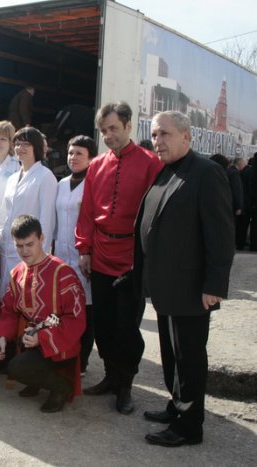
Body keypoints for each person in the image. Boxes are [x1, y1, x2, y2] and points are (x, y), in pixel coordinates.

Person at [137, 111, 234, 447]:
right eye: (154, 134)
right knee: (171, 355)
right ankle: (177, 406)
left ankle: (189, 427)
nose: (157, 140)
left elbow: (221, 235)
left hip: (191, 289)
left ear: (186, 136)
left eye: (164, 134)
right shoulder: (165, 170)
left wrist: (214, 286)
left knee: (188, 358)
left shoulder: (206, 173)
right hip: (166, 287)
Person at [75, 101, 163, 414]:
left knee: (127, 327)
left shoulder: (151, 163)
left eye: (113, 128)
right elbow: (86, 211)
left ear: (128, 125)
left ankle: (125, 384)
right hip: (100, 255)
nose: (108, 135)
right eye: (103, 130)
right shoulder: (96, 165)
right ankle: (111, 377)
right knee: (103, 324)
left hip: (132, 258)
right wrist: (84, 248)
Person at [0, 215, 86, 413]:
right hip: (24, 340)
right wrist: (1, 338)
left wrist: (41, 338)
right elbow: (8, 311)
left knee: (17, 367)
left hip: (58, 343)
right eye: (19, 245)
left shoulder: (63, 272)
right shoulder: (17, 272)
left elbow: (76, 320)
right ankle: (34, 377)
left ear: (42, 239)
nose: (24, 251)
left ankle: (61, 387)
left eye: (29, 244)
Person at [54, 135, 96, 373]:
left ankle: (83, 359)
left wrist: (88, 251)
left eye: (79, 153)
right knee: (64, 307)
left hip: (83, 257)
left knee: (86, 309)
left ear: (91, 157)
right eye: (71, 153)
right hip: (61, 253)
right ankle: (64, 351)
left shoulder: (93, 182)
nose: (73, 157)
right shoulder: (61, 184)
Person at [0, 126, 57, 296]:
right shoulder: (11, 178)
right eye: (17, 144)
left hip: (31, 251)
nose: (20, 148)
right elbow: (5, 214)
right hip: (8, 248)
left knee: (27, 297)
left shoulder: (45, 176)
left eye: (25, 144)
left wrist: (41, 255)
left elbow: (47, 219)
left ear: (36, 147)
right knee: (7, 296)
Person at [235, 157, 253, 250]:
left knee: (242, 225)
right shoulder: (251, 172)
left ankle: (240, 243)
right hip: (250, 202)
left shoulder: (243, 172)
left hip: (244, 202)